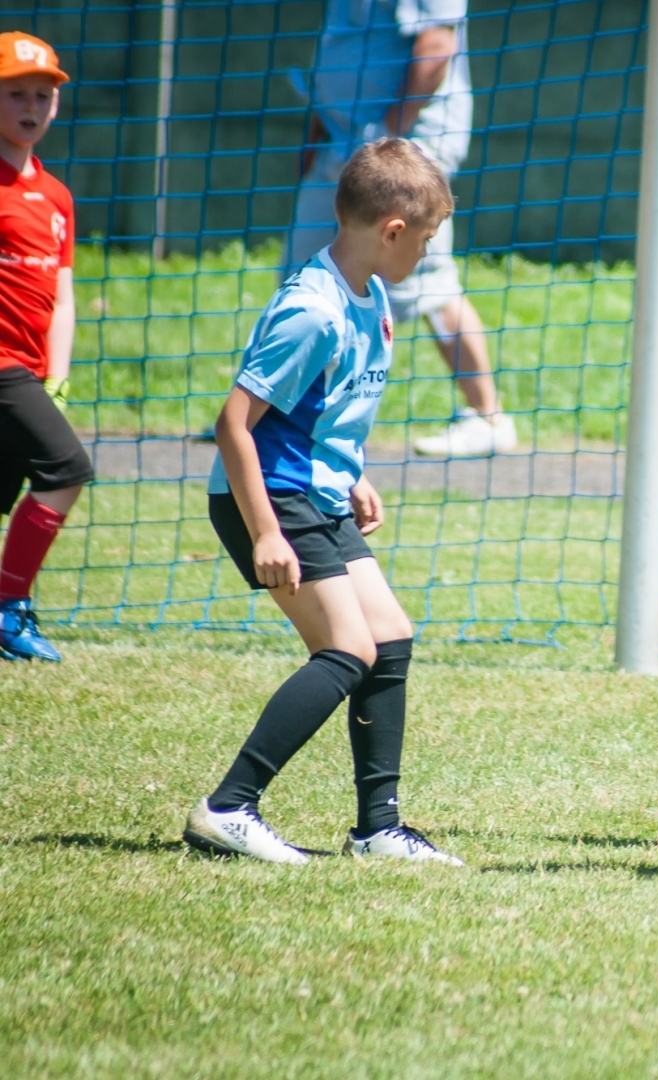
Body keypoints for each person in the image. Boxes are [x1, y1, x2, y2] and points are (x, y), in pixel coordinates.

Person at [183, 139, 462, 866]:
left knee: (390, 636)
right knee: (347, 647)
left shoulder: (371, 297)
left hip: (316, 491)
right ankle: (228, 808)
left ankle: (378, 828)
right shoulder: (312, 310)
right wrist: (266, 532)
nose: (427, 255)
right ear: (392, 230)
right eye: (426, 241)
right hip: (272, 499)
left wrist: (352, 472)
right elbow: (233, 424)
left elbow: (326, 411)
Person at [292, 0, 515, 458]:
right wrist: (320, 128)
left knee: (429, 285)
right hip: (340, 143)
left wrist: (389, 135)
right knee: (305, 275)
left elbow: (436, 43)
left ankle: (488, 417)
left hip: (392, 146)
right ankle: (277, 415)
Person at [0, 32, 91, 663]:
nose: (32, 107)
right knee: (68, 469)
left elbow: (62, 289)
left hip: (30, 372)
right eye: (15, 94)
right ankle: (7, 608)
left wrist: (56, 374)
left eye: (42, 95)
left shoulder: (57, 196)